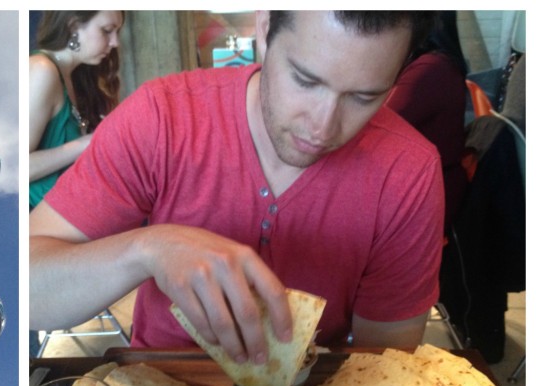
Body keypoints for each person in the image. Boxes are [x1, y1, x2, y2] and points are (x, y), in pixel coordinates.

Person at [30, 11, 443, 365]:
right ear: (264, 29)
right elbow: (24, 286)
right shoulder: (161, 117)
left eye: (364, 97)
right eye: (304, 80)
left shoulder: (409, 173)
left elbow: (381, 371)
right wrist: (149, 249)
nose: (323, 126)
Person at [29, 12, 124, 210]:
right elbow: (17, 166)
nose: (115, 42)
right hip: (41, 223)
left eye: (117, 32)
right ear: (73, 26)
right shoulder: (42, 71)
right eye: (106, 31)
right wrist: (89, 142)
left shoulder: (80, 78)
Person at [385, 12, 469, 232]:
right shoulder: (438, 62)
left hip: (428, 197)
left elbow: (379, 124)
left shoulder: (430, 69)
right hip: (428, 183)